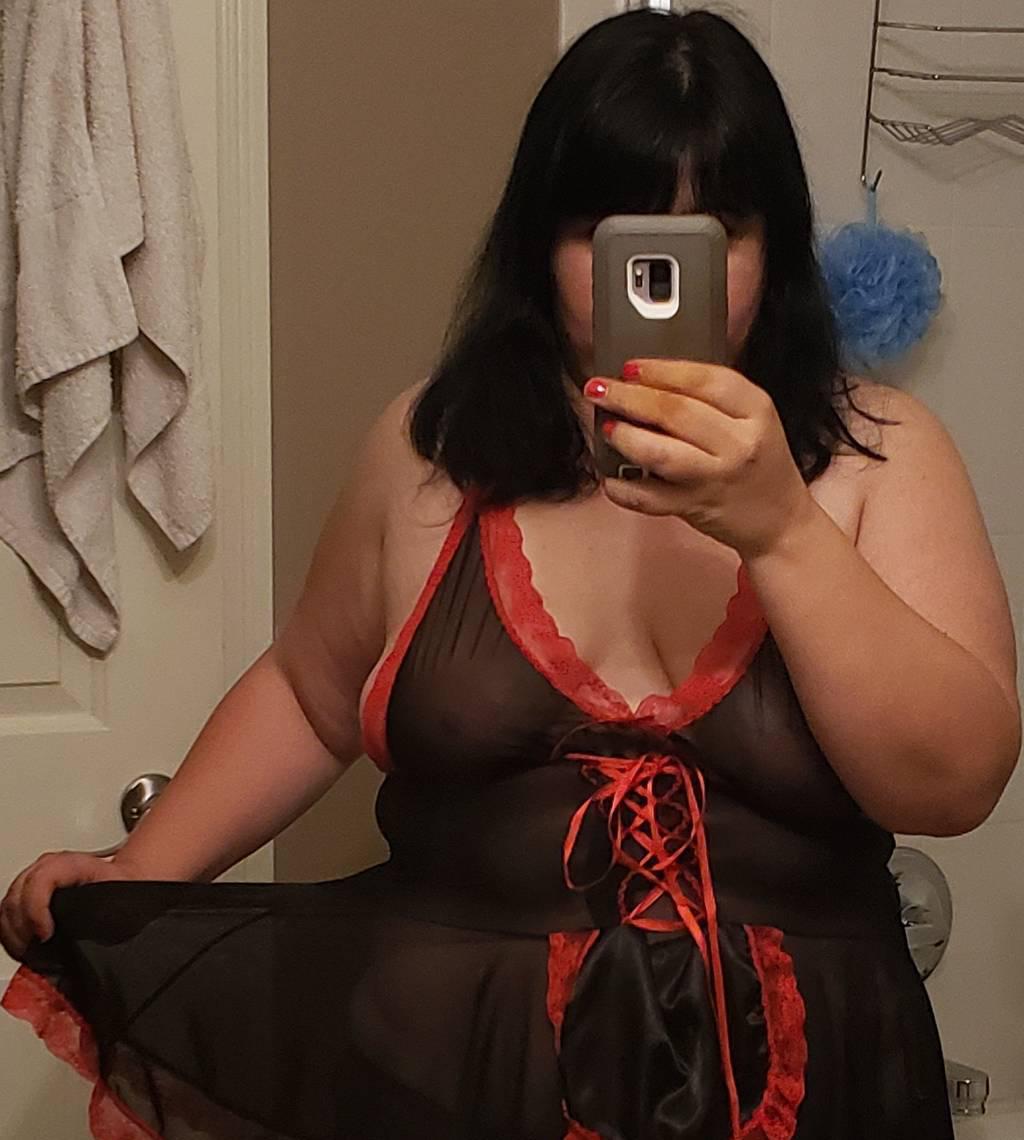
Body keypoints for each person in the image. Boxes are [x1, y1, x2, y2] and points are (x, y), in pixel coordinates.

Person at [1, 8, 1019, 1139]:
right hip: (444, 1080)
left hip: (816, 1091)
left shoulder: (881, 455)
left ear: (771, 247)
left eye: (713, 234)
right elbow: (310, 690)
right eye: (609, 235)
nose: (655, 279)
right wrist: (140, 867)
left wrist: (782, 530)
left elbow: (954, 786)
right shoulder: (429, 451)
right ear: (542, 241)